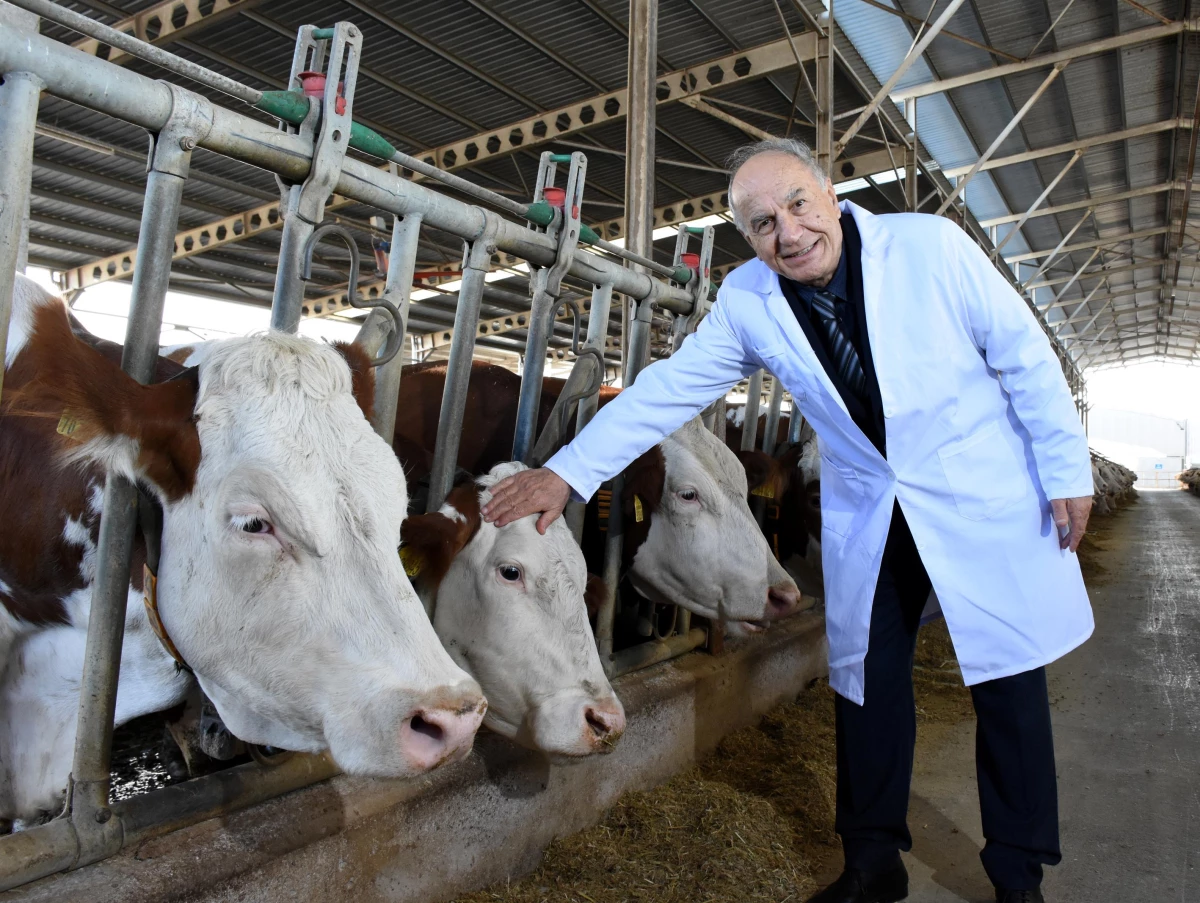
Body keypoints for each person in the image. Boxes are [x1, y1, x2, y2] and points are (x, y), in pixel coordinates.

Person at [481, 138, 1094, 903]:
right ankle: (873, 864)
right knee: (867, 682)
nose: (789, 232)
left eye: (798, 204)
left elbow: (1024, 355)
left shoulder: (930, 247)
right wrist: (566, 471)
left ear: (830, 193)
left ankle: (1018, 872)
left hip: (975, 493)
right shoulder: (749, 299)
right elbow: (668, 390)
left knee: (1007, 678)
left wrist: (1066, 468)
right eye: (763, 222)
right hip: (873, 507)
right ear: (749, 236)